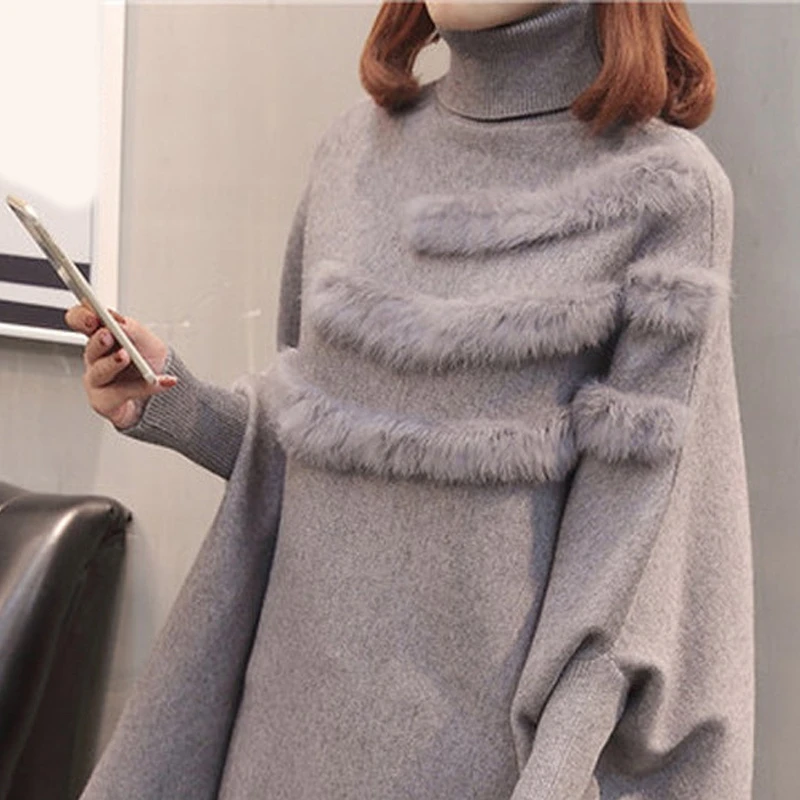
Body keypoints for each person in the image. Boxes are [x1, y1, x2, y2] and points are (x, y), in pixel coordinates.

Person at [69, 1, 755, 798]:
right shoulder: (353, 152)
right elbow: (313, 451)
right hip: (278, 746)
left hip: (484, 769)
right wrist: (173, 400)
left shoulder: (666, 194)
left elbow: (627, 569)